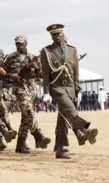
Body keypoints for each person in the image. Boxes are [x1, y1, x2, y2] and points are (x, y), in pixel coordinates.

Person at [40, 23, 99, 159]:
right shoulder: (47, 52)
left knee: (63, 119)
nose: (56, 36)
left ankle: (61, 149)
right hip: (57, 88)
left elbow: (75, 72)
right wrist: (46, 92)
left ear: (63, 34)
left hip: (71, 88)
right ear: (51, 36)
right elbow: (45, 74)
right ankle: (85, 130)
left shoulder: (72, 50)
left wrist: (78, 90)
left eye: (58, 33)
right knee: (71, 112)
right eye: (53, 34)